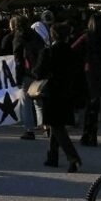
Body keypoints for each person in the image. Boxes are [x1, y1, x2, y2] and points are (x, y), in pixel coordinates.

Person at [34, 23, 82, 173]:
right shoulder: (73, 52)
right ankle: (52, 157)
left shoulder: (48, 52)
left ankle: (72, 157)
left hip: (52, 93)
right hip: (67, 93)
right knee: (56, 125)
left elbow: (38, 73)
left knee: (57, 127)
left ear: (53, 36)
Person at [80, 14, 101, 149]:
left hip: (92, 75)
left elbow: (74, 49)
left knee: (92, 107)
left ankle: (90, 135)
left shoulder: (87, 37)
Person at [11, 16, 44, 140]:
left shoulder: (18, 38)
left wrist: (18, 79)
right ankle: (44, 126)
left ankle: (29, 130)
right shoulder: (36, 36)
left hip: (26, 73)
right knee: (39, 101)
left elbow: (18, 60)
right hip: (38, 72)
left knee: (26, 103)